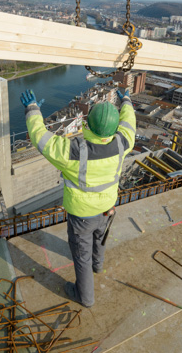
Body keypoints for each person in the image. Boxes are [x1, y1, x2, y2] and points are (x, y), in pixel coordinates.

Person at [20, 87, 136, 307]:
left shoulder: (74, 151)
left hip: (82, 215)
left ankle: (85, 297)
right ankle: (98, 265)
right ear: (114, 127)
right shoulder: (123, 143)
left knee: (81, 256)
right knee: (100, 238)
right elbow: (129, 122)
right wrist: (127, 100)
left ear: (88, 125)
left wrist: (32, 109)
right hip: (107, 208)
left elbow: (40, 138)